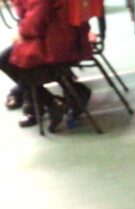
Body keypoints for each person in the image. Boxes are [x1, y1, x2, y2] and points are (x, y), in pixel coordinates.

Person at [0, 0, 88, 130]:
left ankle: (48, 102)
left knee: (9, 61)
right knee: (14, 57)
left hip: (56, 41)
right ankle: (71, 92)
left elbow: (38, 17)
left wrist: (21, 32)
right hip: (65, 34)